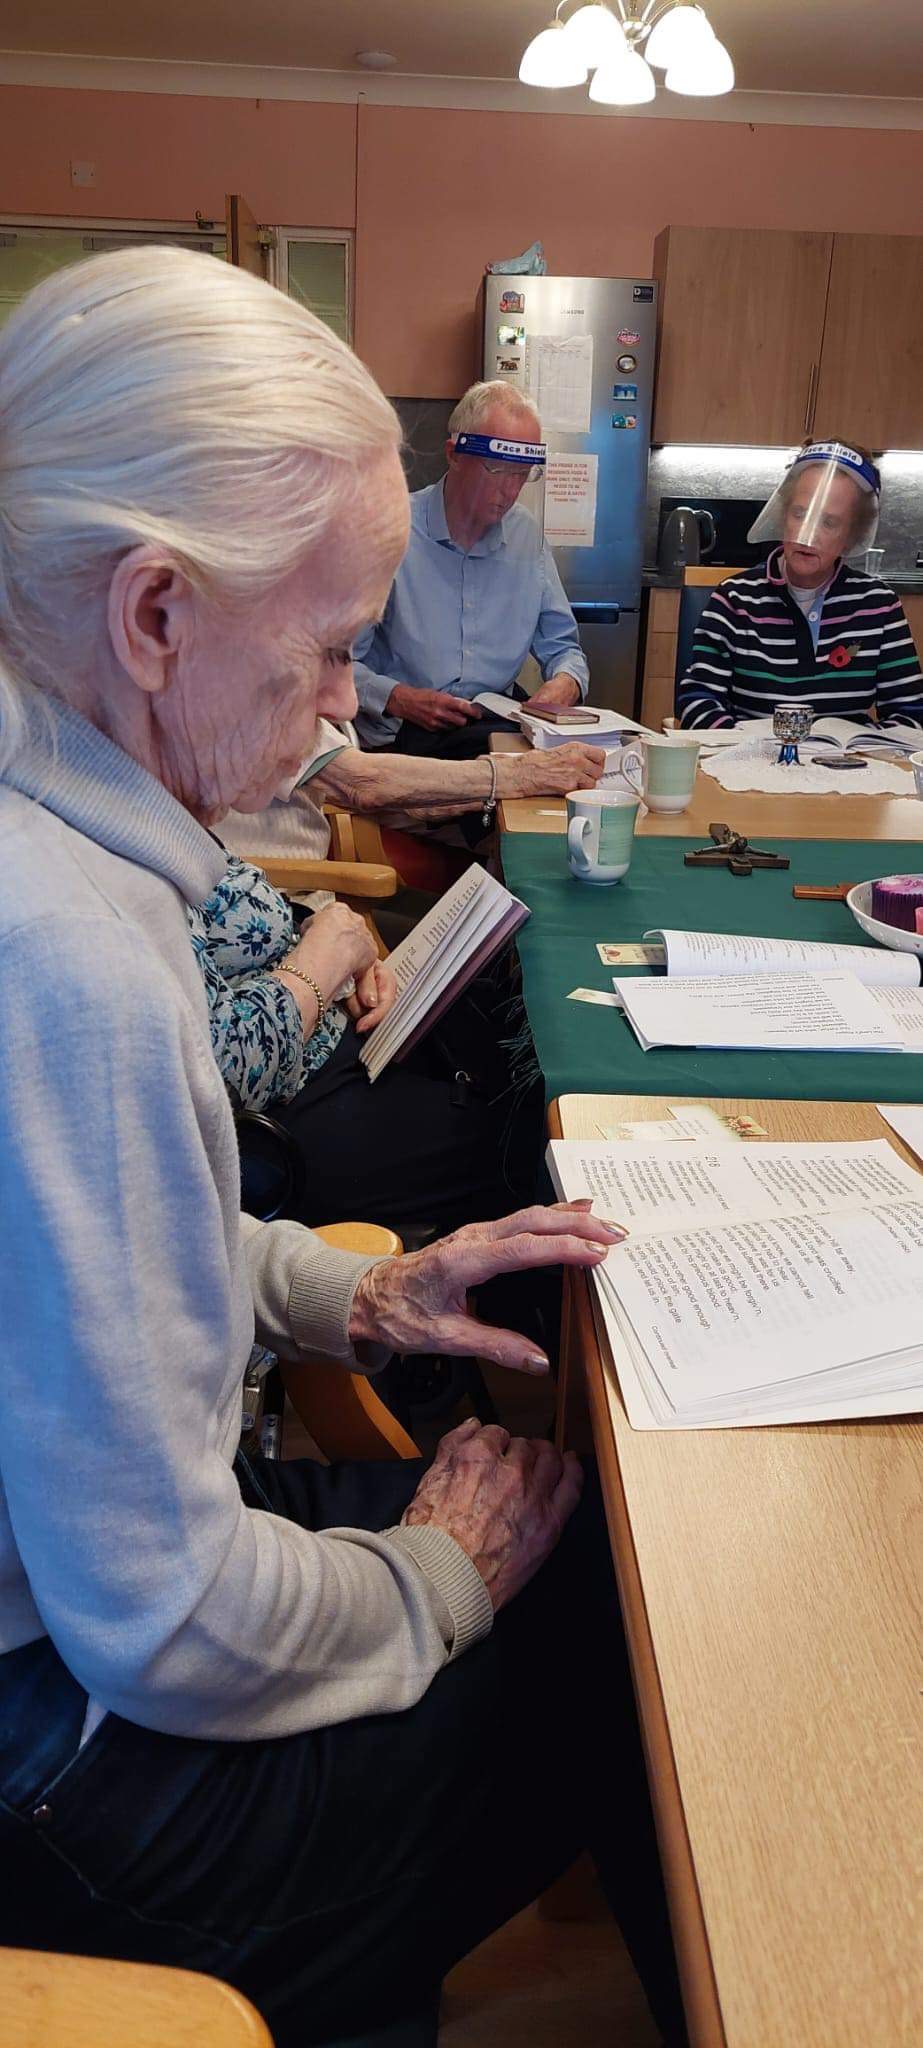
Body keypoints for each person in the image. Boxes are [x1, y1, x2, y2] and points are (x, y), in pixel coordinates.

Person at [0, 250, 685, 2048]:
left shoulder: (52, 824)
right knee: (605, 1646)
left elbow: (79, 1262)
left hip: (70, 1618)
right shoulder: (64, 953)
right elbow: (162, 1616)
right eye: (322, 650)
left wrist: (351, 1291)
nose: (337, 711)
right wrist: (439, 1573)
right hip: (63, 1760)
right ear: (154, 612)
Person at [351, 379, 590, 757]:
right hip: (399, 738)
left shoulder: (526, 535)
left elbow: (563, 647)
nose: (510, 490)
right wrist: (398, 698)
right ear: (454, 454)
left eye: (522, 473)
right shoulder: (389, 531)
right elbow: (337, 664)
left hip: (490, 735)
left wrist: (566, 682)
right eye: (497, 469)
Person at [677, 439, 923, 731]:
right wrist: (742, 749)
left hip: (847, 760)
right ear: (783, 516)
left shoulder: (879, 605)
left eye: (828, 523)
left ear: (852, 535)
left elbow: (911, 714)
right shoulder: (734, 598)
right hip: (750, 757)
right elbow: (697, 700)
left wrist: (862, 751)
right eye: (800, 514)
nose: (808, 535)